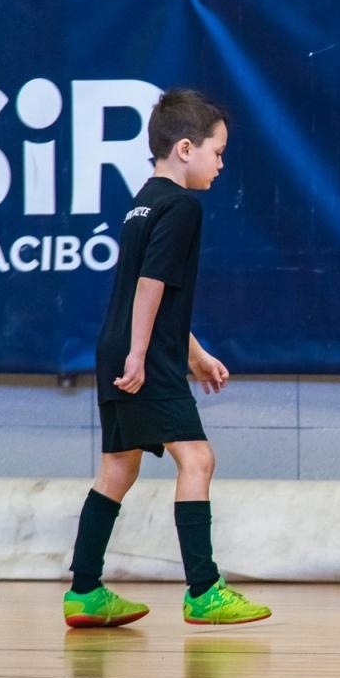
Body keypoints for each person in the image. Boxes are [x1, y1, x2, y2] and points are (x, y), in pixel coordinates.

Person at [63, 89, 272, 629]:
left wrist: (194, 353)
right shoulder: (182, 206)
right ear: (185, 148)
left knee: (118, 467)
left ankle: (84, 591)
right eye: (217, 152)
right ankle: (204, 590)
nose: (222, 164)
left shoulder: (143, 200)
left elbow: (155, 293)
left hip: (122, 346)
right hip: (142, 353)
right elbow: (152, 285)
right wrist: (143, 355)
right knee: (198, 460)